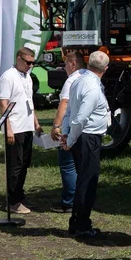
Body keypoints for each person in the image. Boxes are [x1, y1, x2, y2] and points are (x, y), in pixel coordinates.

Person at [63, 50, 110, 239]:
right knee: (87, 182)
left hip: (83, 136)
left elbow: (70, 110)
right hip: (87, 137)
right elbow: (81, 117)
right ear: (105, 69)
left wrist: (68, 134)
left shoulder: (78, 81)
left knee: (84, 179)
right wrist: (70, 139)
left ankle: (77, 221)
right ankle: (82, 224)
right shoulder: (92, 87)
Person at [0, 46, 41, 214]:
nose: (30, 66)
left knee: (24, 163)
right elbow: (3, 103)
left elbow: (29, 101)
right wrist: (8, 128)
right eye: (28, 62)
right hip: (15, 126)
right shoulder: (8, 77)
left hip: (27, 125)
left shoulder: (28, 77)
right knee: (15, 165)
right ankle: (12, 201)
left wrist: (36, 122)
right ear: (19, 59)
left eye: (33, 63)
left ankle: (19, 196)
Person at [48, 49, 84, 213]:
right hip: (86, 129)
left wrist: (56, 125)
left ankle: (69, 201)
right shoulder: (89, 78)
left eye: (65, 64)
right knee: (81, 166)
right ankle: (80, 199)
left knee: (68, 165)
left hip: (70, 128)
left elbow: (64, 103)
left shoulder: (71, 81)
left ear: (73, 63)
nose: (64, 67)